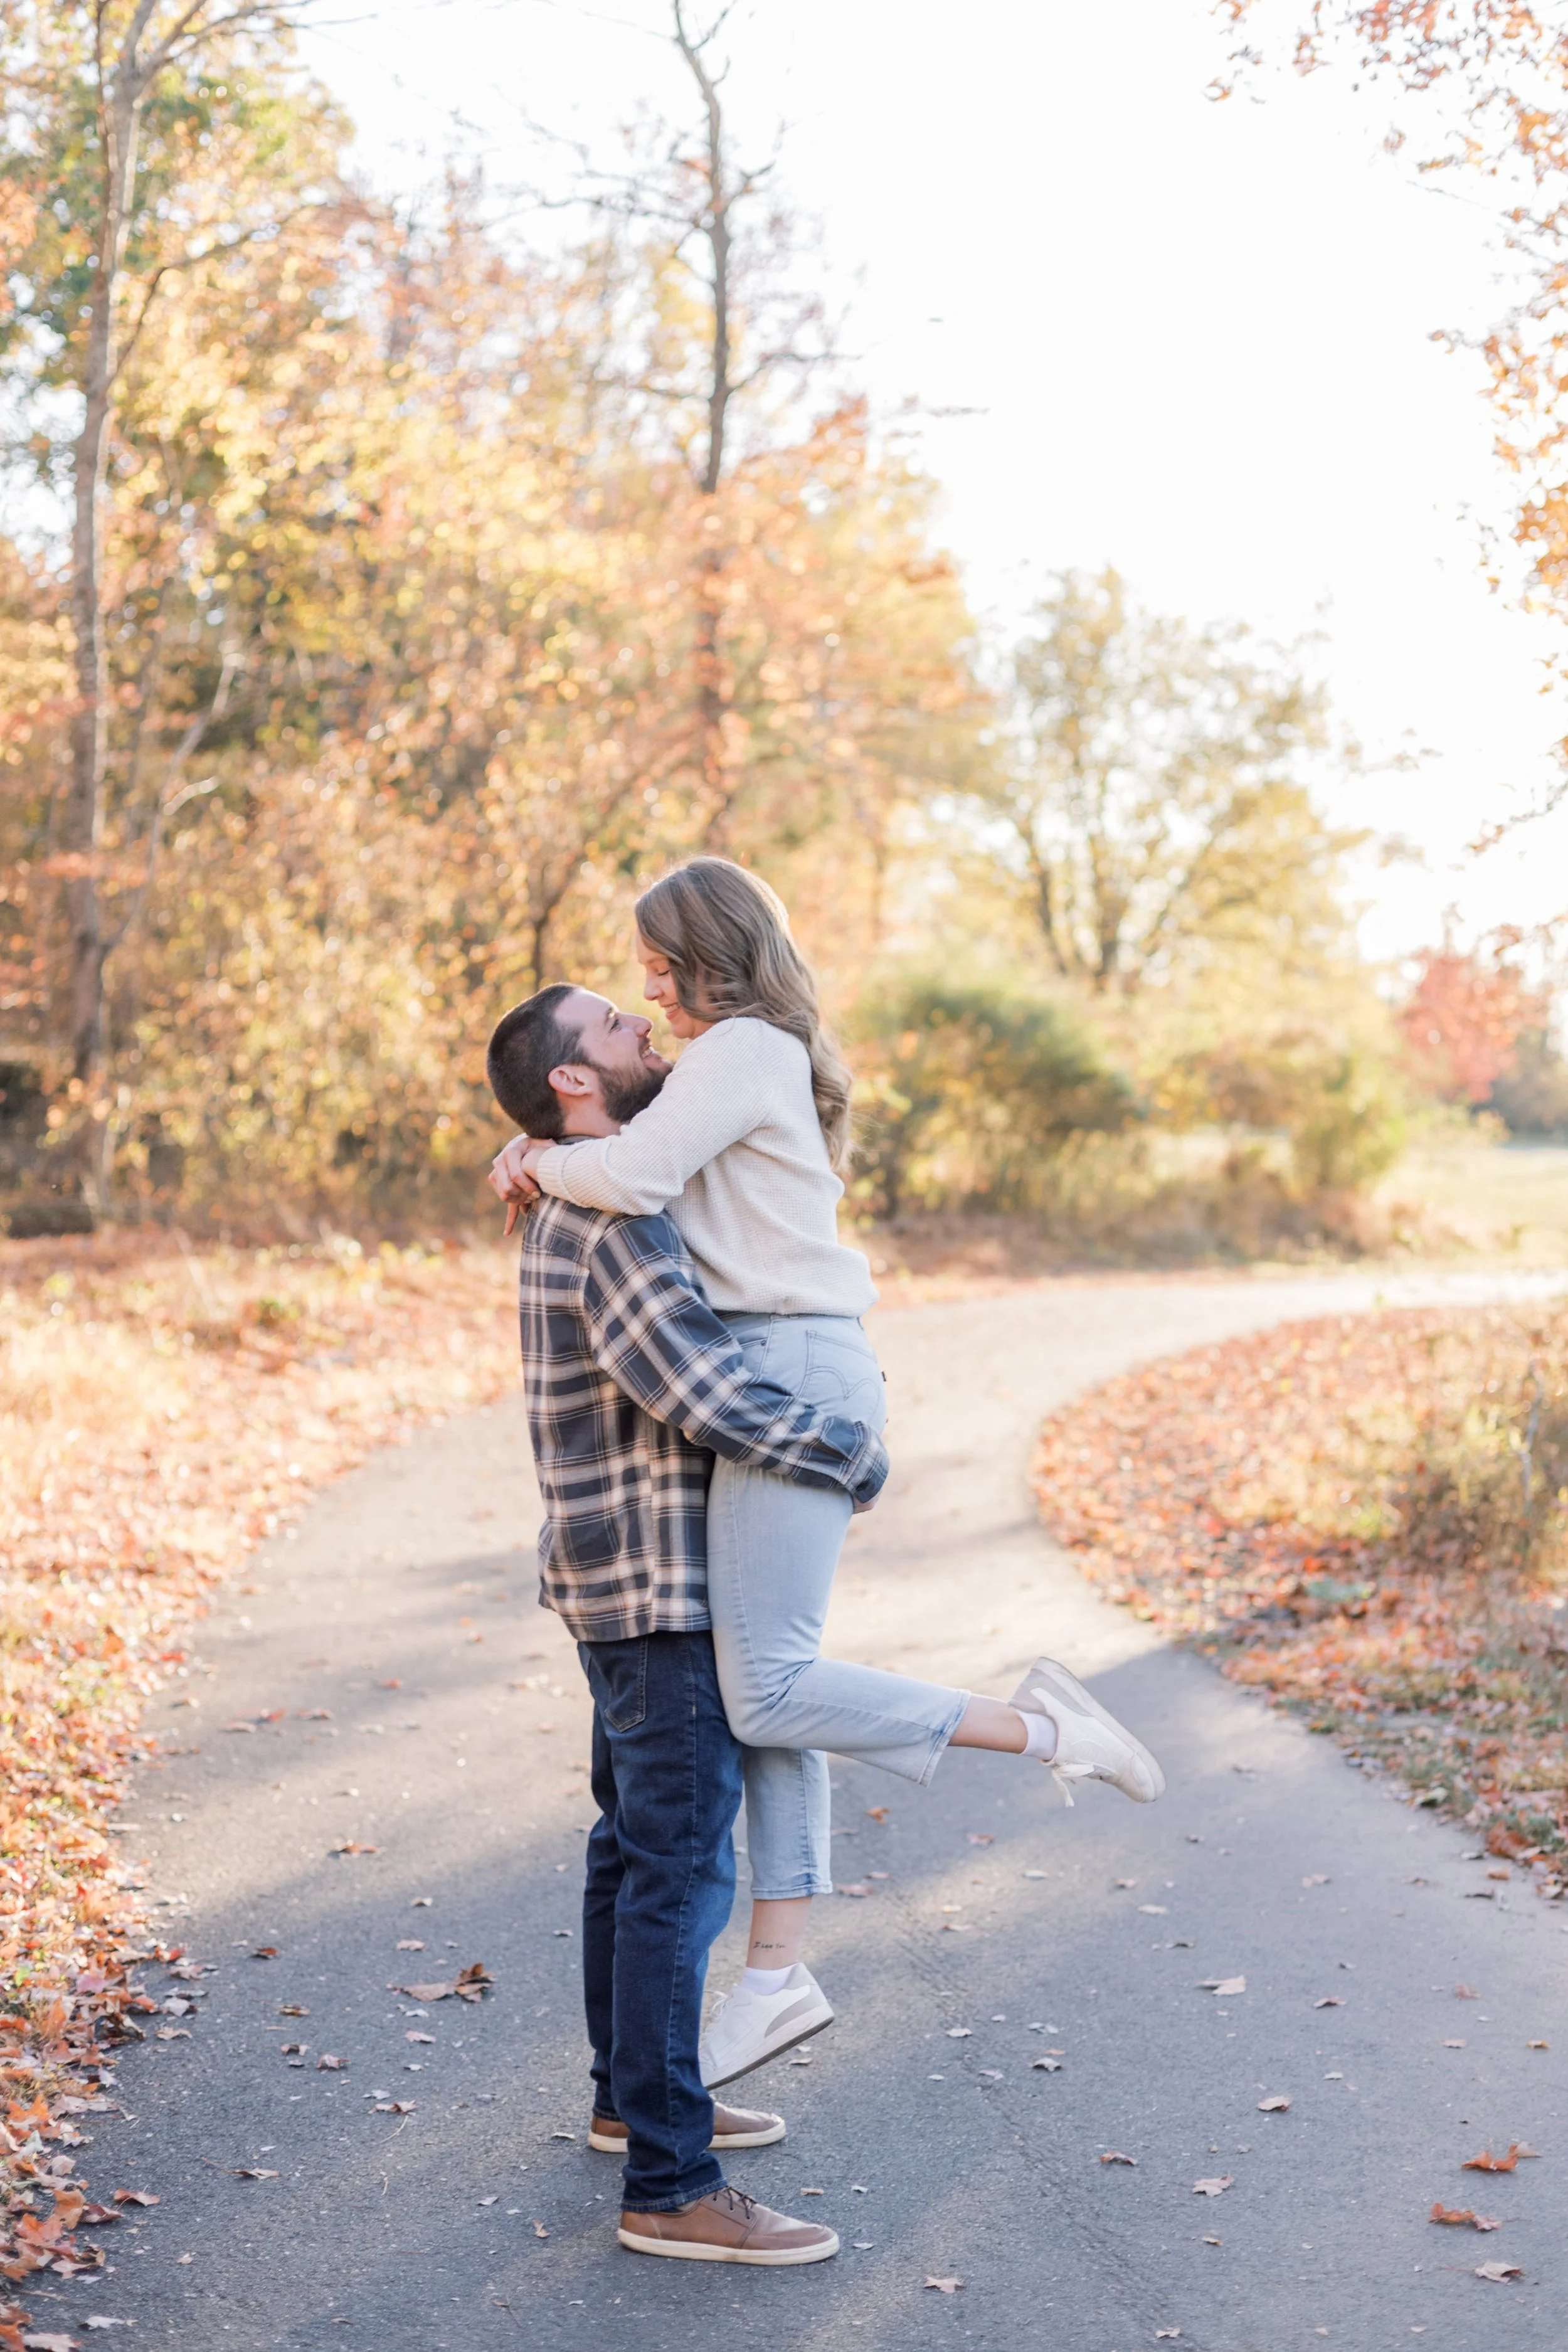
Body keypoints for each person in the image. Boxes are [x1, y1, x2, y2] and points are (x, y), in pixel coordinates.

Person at [490, 859, 1165, 2092]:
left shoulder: (743, 1051)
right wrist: (530, 1139)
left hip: (786, 1372)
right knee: (767, 1685)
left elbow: (629, 1177)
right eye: (633, 974)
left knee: (769, 1689)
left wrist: (536, 1165)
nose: (645, 985)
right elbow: (612, 1129)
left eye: (656, 960)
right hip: (771, 1368)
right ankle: (773, 1977)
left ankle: (1046, 1731)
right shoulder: (718, 1067)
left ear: (709, 954)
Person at [487, 984, 892, 2266]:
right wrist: (848, 1450)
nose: (649, 1038)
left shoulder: (575, 1191)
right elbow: (701, 1388)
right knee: (675, 1871)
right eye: (618, 1028)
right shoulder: (614, 1227)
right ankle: (670, 2180)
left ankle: (631, 2101)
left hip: (612, 1581)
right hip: (657, 1590)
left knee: (631, 1855)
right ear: (571, 1080)